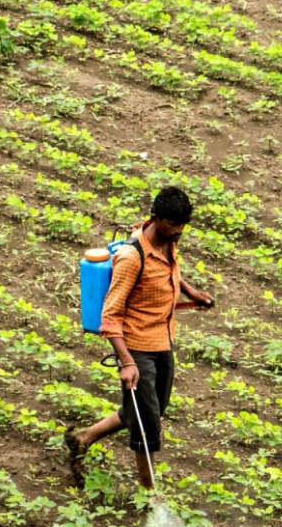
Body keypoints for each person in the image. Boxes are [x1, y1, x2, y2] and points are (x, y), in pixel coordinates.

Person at [66, 187, 213, 488]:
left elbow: (168, 269)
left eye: (183, 226)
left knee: (152, 408)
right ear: (156, 219)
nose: (178, 232)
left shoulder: (166, 242)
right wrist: (128, 362)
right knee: (148, 425)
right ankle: (150, 492)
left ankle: (84, 437)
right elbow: (110, 315)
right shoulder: (131, 258)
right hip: (137, 347)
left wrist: (191, 292)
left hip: (162, 339)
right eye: (173, 225)